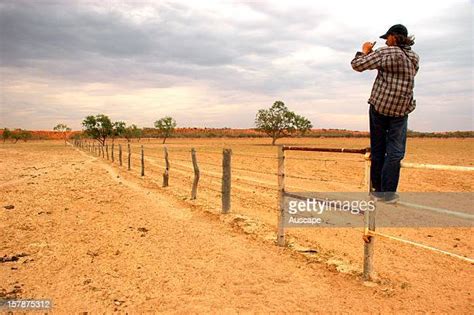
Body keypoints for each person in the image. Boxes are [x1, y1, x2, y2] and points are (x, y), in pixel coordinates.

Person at [351, 24, 419, 203]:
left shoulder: (385, 53)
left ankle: (377, 190)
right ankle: (388, 194)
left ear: (394, 37)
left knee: (378, 147)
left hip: (380, 106)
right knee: (395, 152)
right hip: (401, 109)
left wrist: (365, 50)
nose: (386, 41)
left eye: (387, 38)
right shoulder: (414, 57)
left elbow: (357, 65)